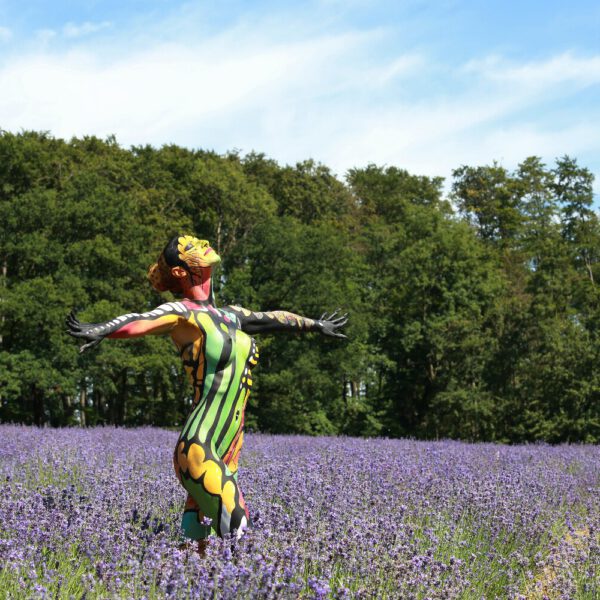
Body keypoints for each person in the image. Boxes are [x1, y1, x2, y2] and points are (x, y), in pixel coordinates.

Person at [66, 234, 348, 547]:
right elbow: (141, 321)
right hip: (199, 448)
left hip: (230, 449)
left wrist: (315, 324)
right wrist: (102, 329)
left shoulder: (231, 316)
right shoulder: (182, 312)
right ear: (180, 271)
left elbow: (274, 318)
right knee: (239, 536)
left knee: (196, 548)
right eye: (192, 246)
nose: (202, 243)